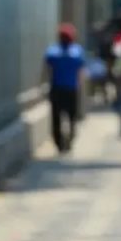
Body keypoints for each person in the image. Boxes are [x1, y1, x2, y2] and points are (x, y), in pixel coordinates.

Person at [44, 23, 85, 154]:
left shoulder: (53, 52)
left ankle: (60, 143)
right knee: (71, 116)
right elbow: (81, 71)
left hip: (57, 88)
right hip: (71, 89)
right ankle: (69, 139)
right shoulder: (77, 51)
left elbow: (46, 70)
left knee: (56, 117)